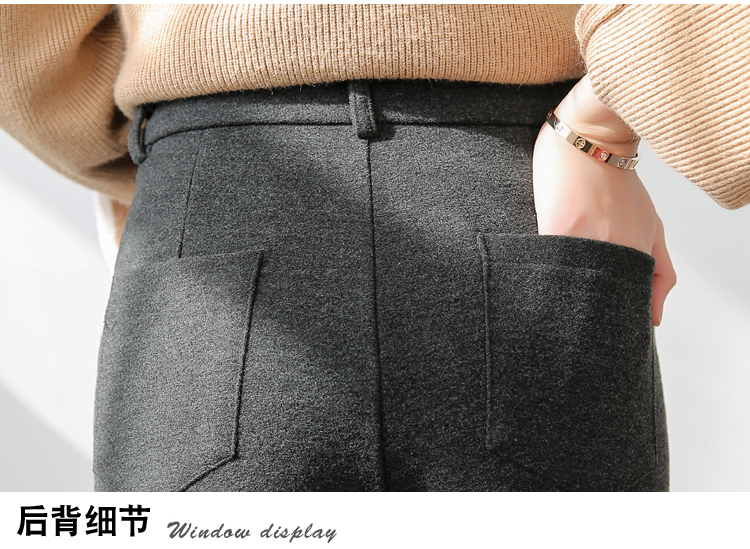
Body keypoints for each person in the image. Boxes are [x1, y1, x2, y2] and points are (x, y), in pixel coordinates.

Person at [0, 4, 746, 491]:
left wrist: (172, 147)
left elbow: (23, 38)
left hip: (218, 203)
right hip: (516, 194)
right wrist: (604, 118)